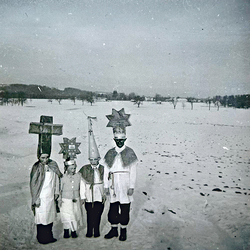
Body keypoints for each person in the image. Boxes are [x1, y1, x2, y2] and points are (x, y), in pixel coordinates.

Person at [103, 108, 138, 241]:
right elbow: (106, 170)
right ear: (114, 140)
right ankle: (113, 229)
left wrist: (131, 186)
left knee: (124, 207)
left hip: (125, 182)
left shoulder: (130, 152)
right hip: (113, 183)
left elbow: (133, 170)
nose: (119, 142)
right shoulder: (110, 152)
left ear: (125, 139)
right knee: (113, 207)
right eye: (117, 140)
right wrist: (106, 185)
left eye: (121, 140)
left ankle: (123, 230)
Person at [79, 117, 105, 238]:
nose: (93, 162)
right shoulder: (85, 169)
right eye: (91, 159)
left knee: (98, 213)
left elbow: (106, 182)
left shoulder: (103, 169)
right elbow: (82, 183)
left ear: (98, 159)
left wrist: (105, 193)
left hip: (99, 194)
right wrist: (83, 196)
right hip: (89, 195)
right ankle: (90, 230)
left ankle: (97, 230)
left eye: (95, 159)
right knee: (89, 213)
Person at [30, 153, 62, 244]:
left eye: (47, 157)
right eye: (43, 158)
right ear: (39, 157)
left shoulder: (53, 165)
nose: (45, 160)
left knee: (50, 217)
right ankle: (41, 237)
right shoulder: (37, 167)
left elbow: (56, 179)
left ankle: (49, 236)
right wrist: (36, 197)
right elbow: (34, 184)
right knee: (42, 218)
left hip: (51, 197)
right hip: (41, 196)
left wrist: (56, 192)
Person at [58, 157, 83, 239]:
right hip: (66, 199)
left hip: (76, 198)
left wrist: (82, 197)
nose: (73, 170)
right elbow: (60, 189)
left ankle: (73, 231)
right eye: (71, 168)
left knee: (75, 214)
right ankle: (66, 230)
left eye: (74, 168)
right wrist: (59, 199)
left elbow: (82, 187)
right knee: (66, 215)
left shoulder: (78, 176)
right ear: (67, 168)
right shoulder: (63, 177)